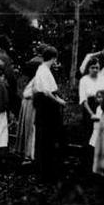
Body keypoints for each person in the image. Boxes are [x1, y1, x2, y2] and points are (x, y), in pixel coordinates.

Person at [30, 46, 66, 179]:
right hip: (45, 107)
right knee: (45, 138)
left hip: (46, 105)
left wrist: (59, 99)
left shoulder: (44, 70)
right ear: (53, 58)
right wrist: (59, 102)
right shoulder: (43, 70)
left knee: (47, 138)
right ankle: (44, 172)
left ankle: (47, 169)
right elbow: (46, 92)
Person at [78, 58, 104, 150]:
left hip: (102, 108)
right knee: (88, 133)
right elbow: (83, 99)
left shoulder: (103, 79)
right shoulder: (84, 80)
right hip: (89, 108)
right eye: (92, 67)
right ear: (88, 68)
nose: (95, 70)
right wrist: (92, 114)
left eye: (97, 67)